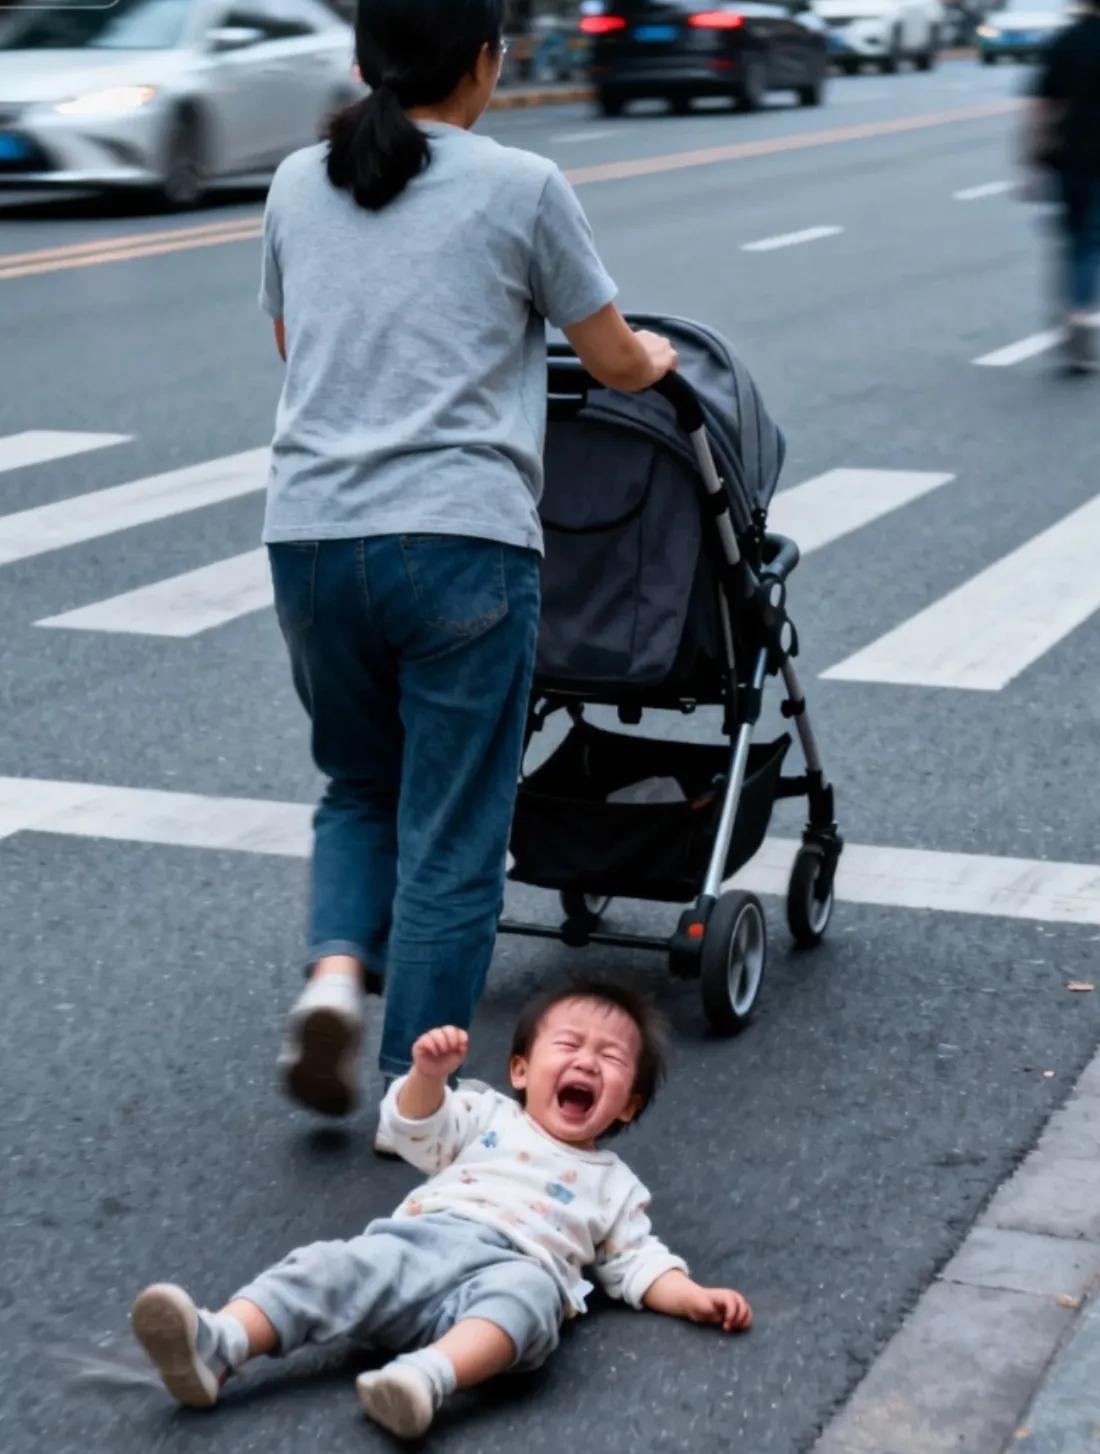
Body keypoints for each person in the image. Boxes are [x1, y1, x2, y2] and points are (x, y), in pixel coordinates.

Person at [261, 0, 678, 1128]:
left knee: (359, 785)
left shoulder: (299, 181)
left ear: (364, 61)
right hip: (459, 539)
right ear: (487, 63)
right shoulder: (522, 184)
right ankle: (418, 1101)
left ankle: (334, 979)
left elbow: (297, 346)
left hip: (309, 537)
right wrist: (655, 356)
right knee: (452, 826)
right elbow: (610, 357)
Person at [130, 977, 752, 1440]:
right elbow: (414, 1130)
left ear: (628, 1105)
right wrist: (427, 1077)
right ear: (520, 1069)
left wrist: (692, 1296)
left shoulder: (615, 1185)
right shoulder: (485, 1113)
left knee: (530, 1301)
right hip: (420, 1243)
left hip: (515, 1267)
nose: (587, 1060)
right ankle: (222, 1342)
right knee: (326, 1267)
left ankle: (425, 1378)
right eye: (568, 1044)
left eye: (611, 1058)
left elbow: (638, 1262)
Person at [1030, 0, 1100, 372]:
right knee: (1089, 242)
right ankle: (1081, 319)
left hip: (1070, 157)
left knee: (1077, 242)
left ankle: (1076, 316)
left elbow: (1043, 107)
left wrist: (1031, 157)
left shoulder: (1067, 40)